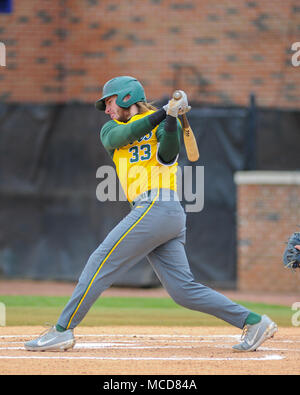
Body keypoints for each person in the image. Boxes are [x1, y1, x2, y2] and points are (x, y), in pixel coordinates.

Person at [25, 76, 277, 352]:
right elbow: (125, 136)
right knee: (183, 291)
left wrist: (171, 121)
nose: (107, 109)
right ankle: (254, 322)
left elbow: (168, 155)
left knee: (99, 262)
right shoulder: (110, 130)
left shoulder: (162, 124)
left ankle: (63, 330)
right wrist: (165, 113)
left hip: (158, 205)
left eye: (109, 102)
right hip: (159, 212)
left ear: (125, 98)